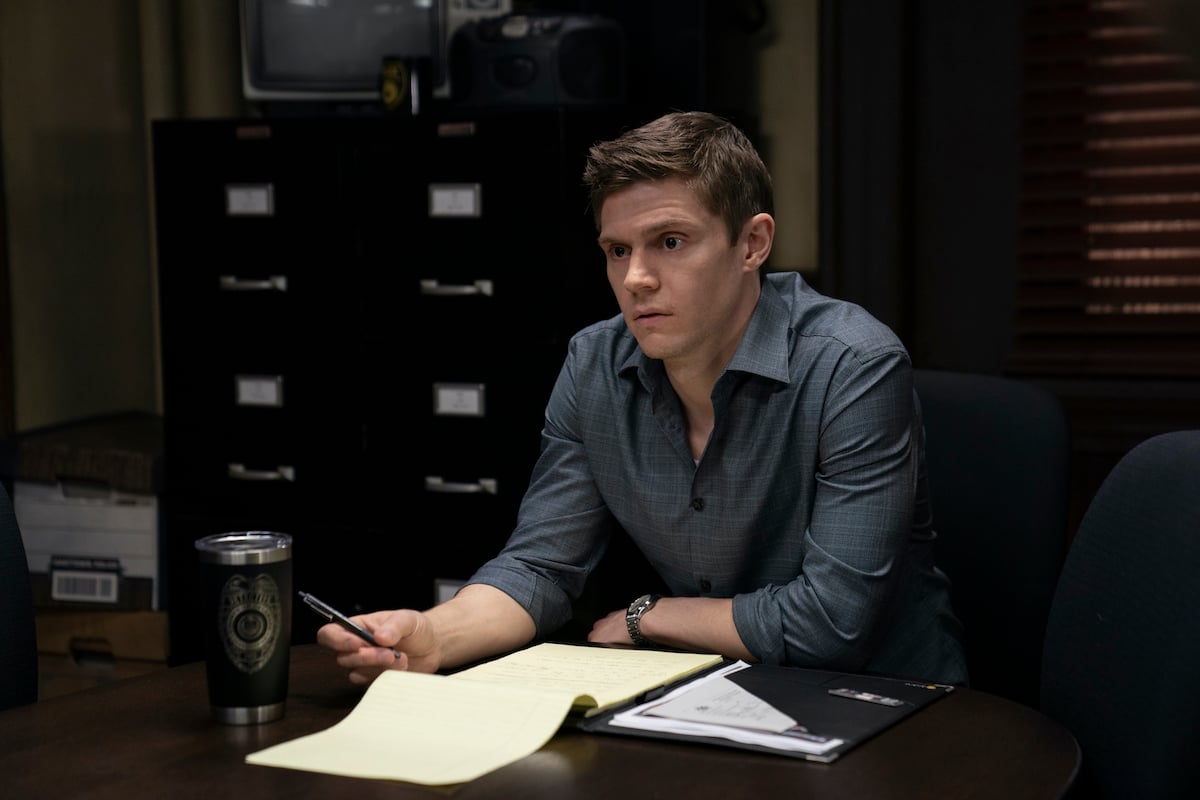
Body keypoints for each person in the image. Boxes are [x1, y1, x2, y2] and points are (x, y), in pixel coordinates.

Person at [318, 110, 969, 687]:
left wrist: (650, 615)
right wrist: (433, 636)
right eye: (617, 250)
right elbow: (542, 564)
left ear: (752, 243)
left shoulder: (853, 364)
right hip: (712, 695)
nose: (634, 278)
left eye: (670, 242)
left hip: (887, 707)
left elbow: (833, 623)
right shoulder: (595, 362)